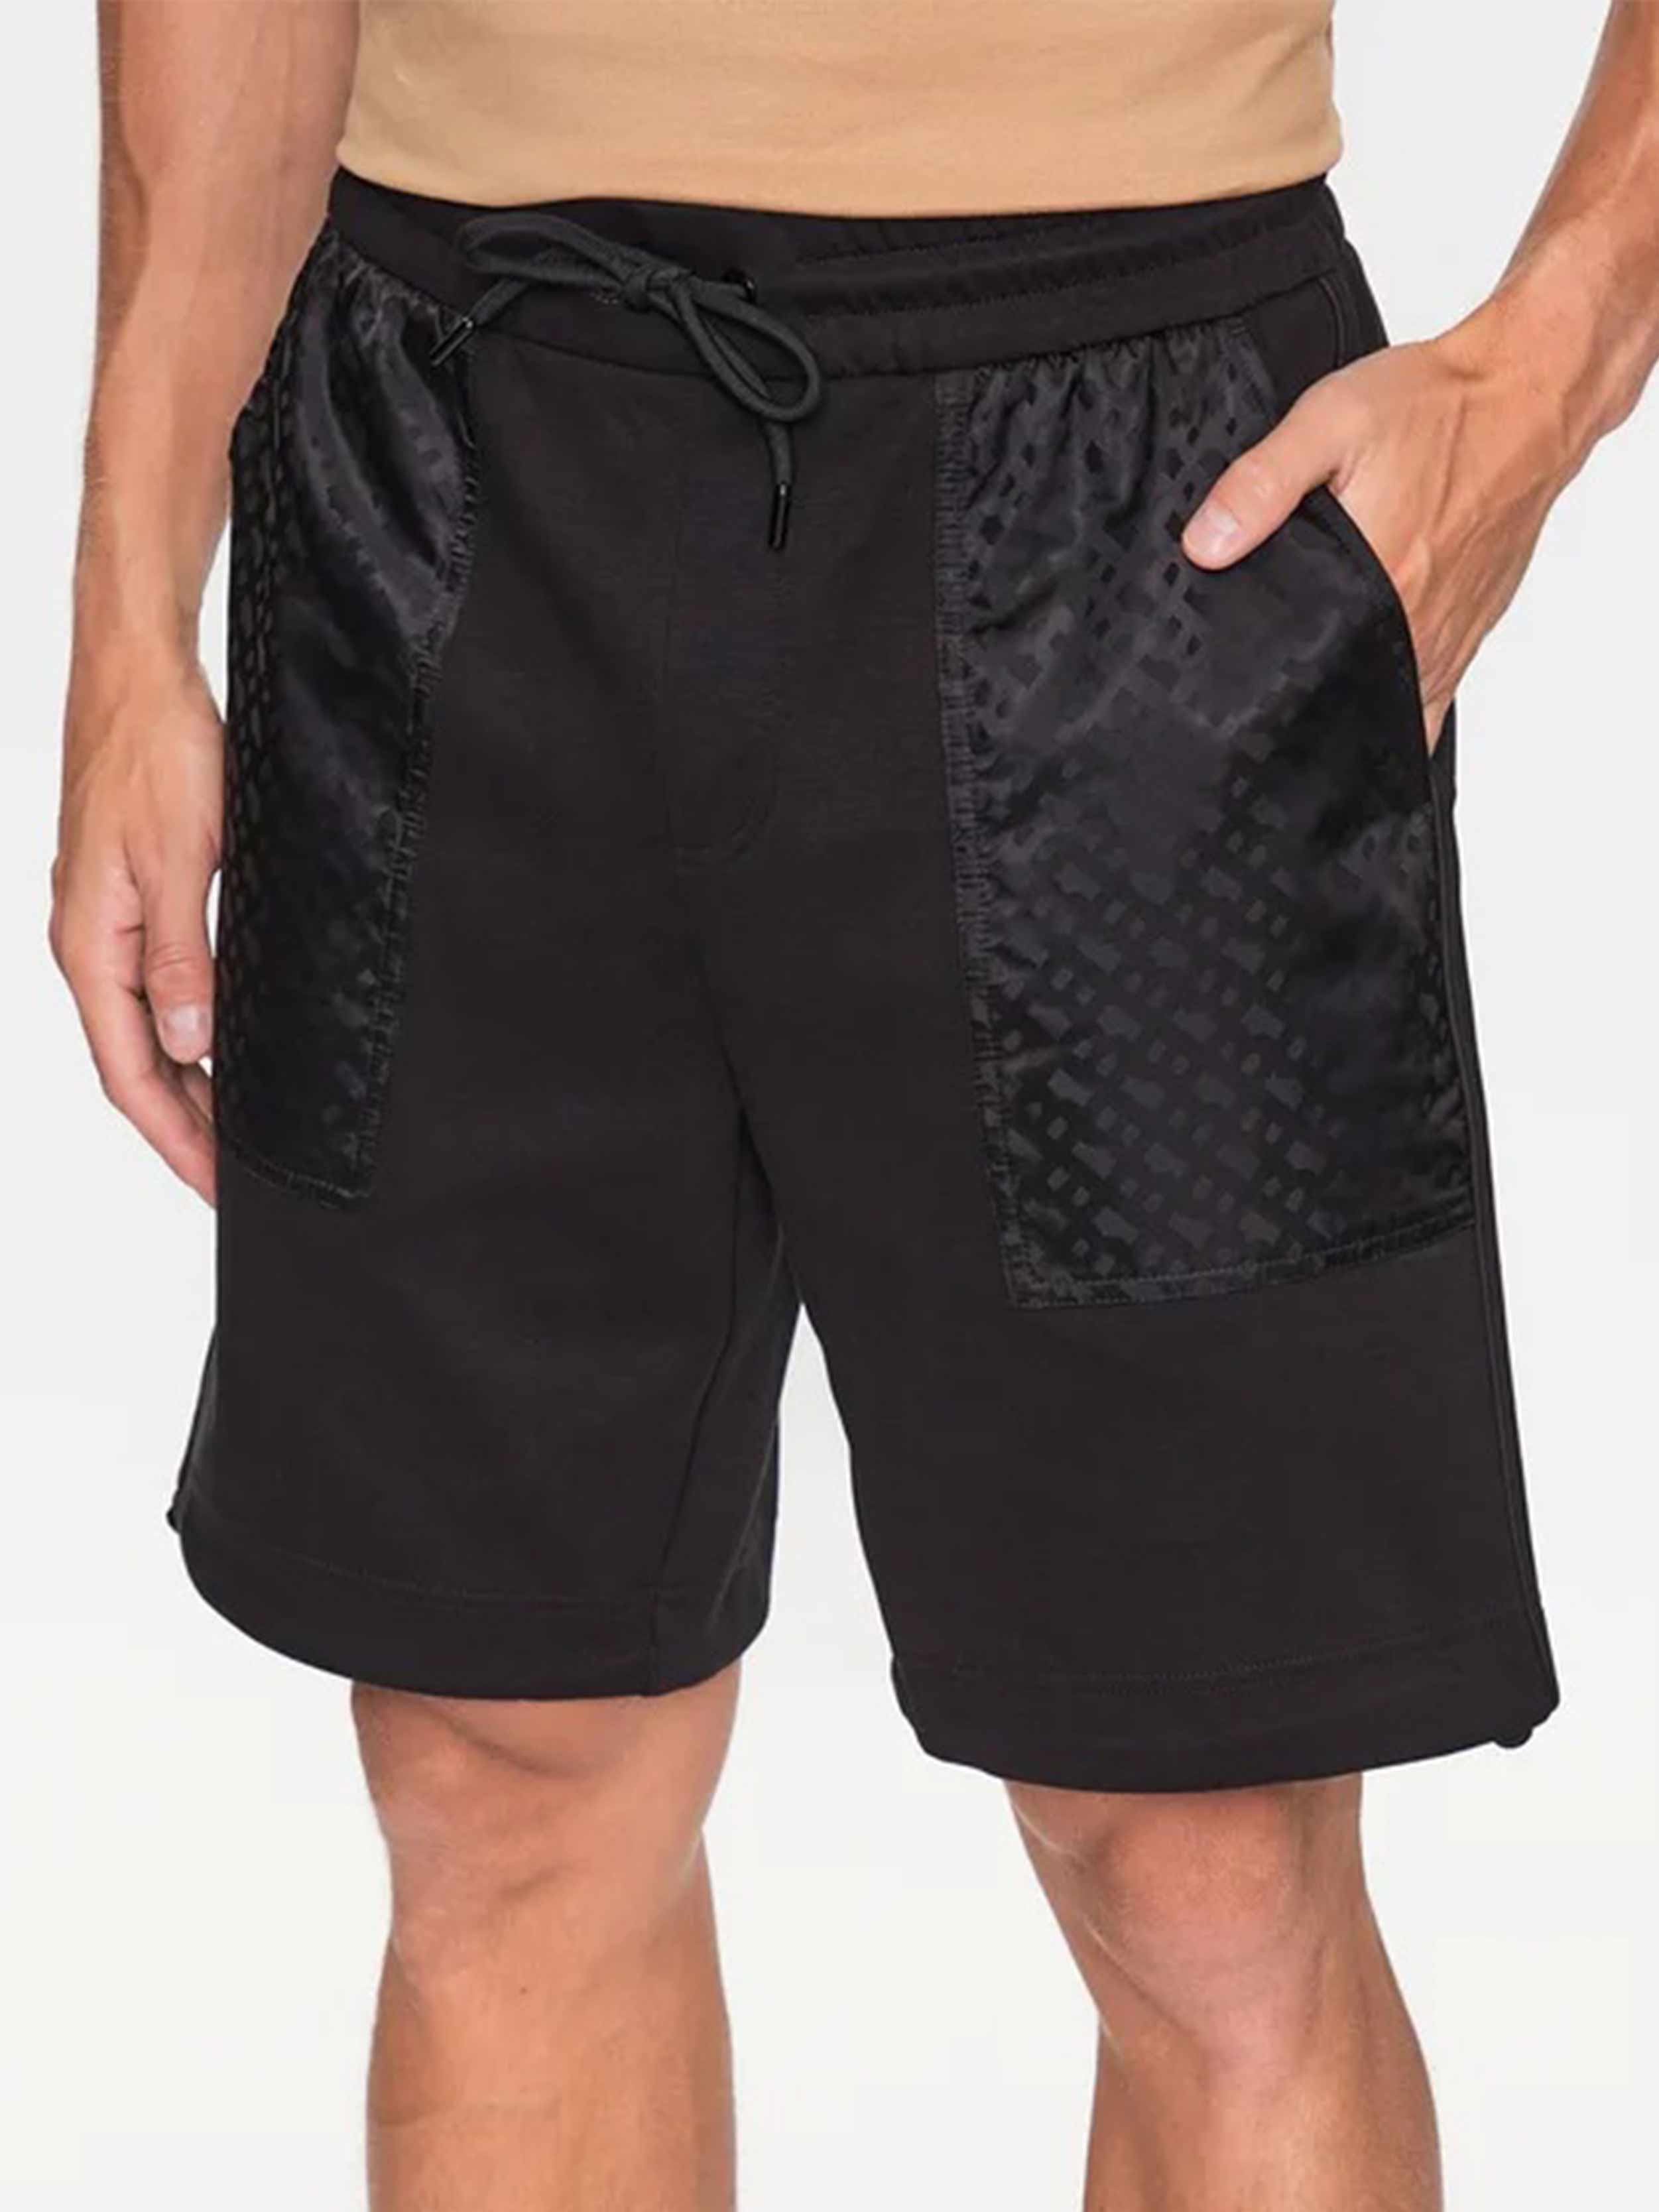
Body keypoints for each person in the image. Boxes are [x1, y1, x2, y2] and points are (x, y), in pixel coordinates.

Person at [51, 3, 1658, 2206]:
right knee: (501, 1768)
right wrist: (130, 610)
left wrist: (1556, 357)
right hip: (446, 454)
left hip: (1141, 492)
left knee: (1203, 1848)